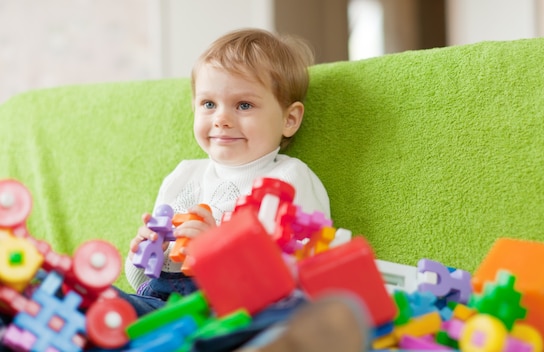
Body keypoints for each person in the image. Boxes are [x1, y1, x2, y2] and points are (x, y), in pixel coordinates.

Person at [116, 28, 368, 351]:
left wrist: (218, 251)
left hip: (238, 309)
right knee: (108, 303)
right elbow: (144, 285)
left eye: (244, 105)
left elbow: (304, 272)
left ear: (289, 119)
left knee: (297, 315)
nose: (221, 118)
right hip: (166, 308)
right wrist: (141, 255)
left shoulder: (290, 179)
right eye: (208, 103)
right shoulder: (182, 176)